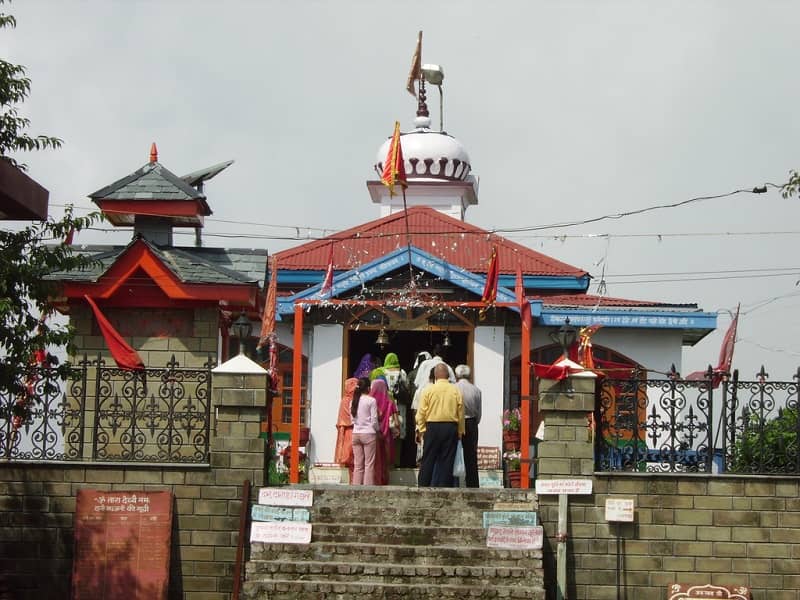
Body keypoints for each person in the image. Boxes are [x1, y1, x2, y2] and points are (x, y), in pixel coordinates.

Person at [415, 363, 464, 487]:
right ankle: (444, 487)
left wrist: (421, 429)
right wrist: (460, 431)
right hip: (450, 427)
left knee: (428, 459)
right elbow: (461, 413)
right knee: (447, 460)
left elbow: (421, 412)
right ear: (447, 375)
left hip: (432, 427)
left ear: (435, 376)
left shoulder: (428, 390)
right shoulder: (455, 390)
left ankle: (423, 486)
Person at [455, 364, 482, 488]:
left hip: (456, 423)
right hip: (471, 423)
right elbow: (479, 414)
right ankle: (472, 484)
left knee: (453, 453)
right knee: (471, 456)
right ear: (469, 375)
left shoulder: (453, 388)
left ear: (457, 375)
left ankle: (453, 483)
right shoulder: (476, 390)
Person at [350, 377, 379, 485]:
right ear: (368, 388)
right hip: (369, 433)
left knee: (358, 465)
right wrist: (378, 430)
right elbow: (374, 420)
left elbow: (352, 420)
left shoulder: (353, 401)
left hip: (356, 434)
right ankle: (368, 489)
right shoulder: (371, 400)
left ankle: (356, 487)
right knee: (369, 464)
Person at [370, 377, 398, 485]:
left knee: (375, 459)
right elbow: (396, 421)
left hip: (373, 434)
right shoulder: (390, 402)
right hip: (387, 435)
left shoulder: (369, 400)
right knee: (385, 459)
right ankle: (384, 480)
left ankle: (374, 480)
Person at [334, 378, 358, 482]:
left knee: (351, 460)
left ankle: (353, 481)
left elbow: (342, 419)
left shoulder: (344, 400)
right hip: (354, 431)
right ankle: (354, 481)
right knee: (354, 459)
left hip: (347, 432)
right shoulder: (357, 399)